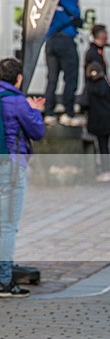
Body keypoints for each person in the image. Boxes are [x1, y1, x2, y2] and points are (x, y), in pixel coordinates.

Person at [0, 58, 45, 298]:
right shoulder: (17, 101)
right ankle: (4, 281)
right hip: (10, 167)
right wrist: (34, 111)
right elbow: (37, 131)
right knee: (7, 226)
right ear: (18, 78)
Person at [43, 0, 82, 125]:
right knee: (70, 78)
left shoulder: (47, 1)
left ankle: (49, 113)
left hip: (51, 41)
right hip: (66, 41)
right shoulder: (69, 0)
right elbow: (78, 16)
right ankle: (68, 113)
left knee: (52, 79)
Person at [85, 61, 110, 182]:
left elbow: (84, 102)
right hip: (109, 118)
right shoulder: (106, 83)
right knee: (106, 146)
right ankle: (107, 170)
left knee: (98, 146)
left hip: (96, 120)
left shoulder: (89, 85)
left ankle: (98, 168)